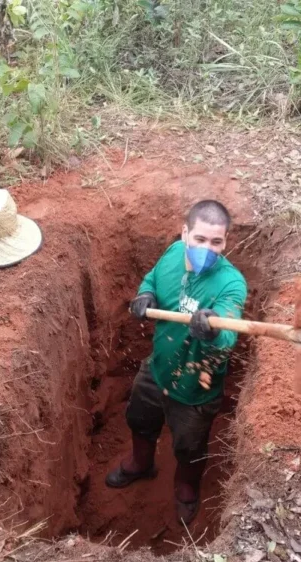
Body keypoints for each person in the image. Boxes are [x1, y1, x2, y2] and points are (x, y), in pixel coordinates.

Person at [105, 199, 248, 525]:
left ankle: (187, 486)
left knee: (190, 446)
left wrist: (212, 329)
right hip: (158, 368)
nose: (207, 249)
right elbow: (152, 279)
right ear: (185, 234)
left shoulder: (231, 283)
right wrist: (146, 295)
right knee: (139, 420)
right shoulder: (172, 254)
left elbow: (228, 331)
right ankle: (141, 464)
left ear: (225, 242)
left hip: (197, 384)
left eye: (216, 242)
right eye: (200, 239)